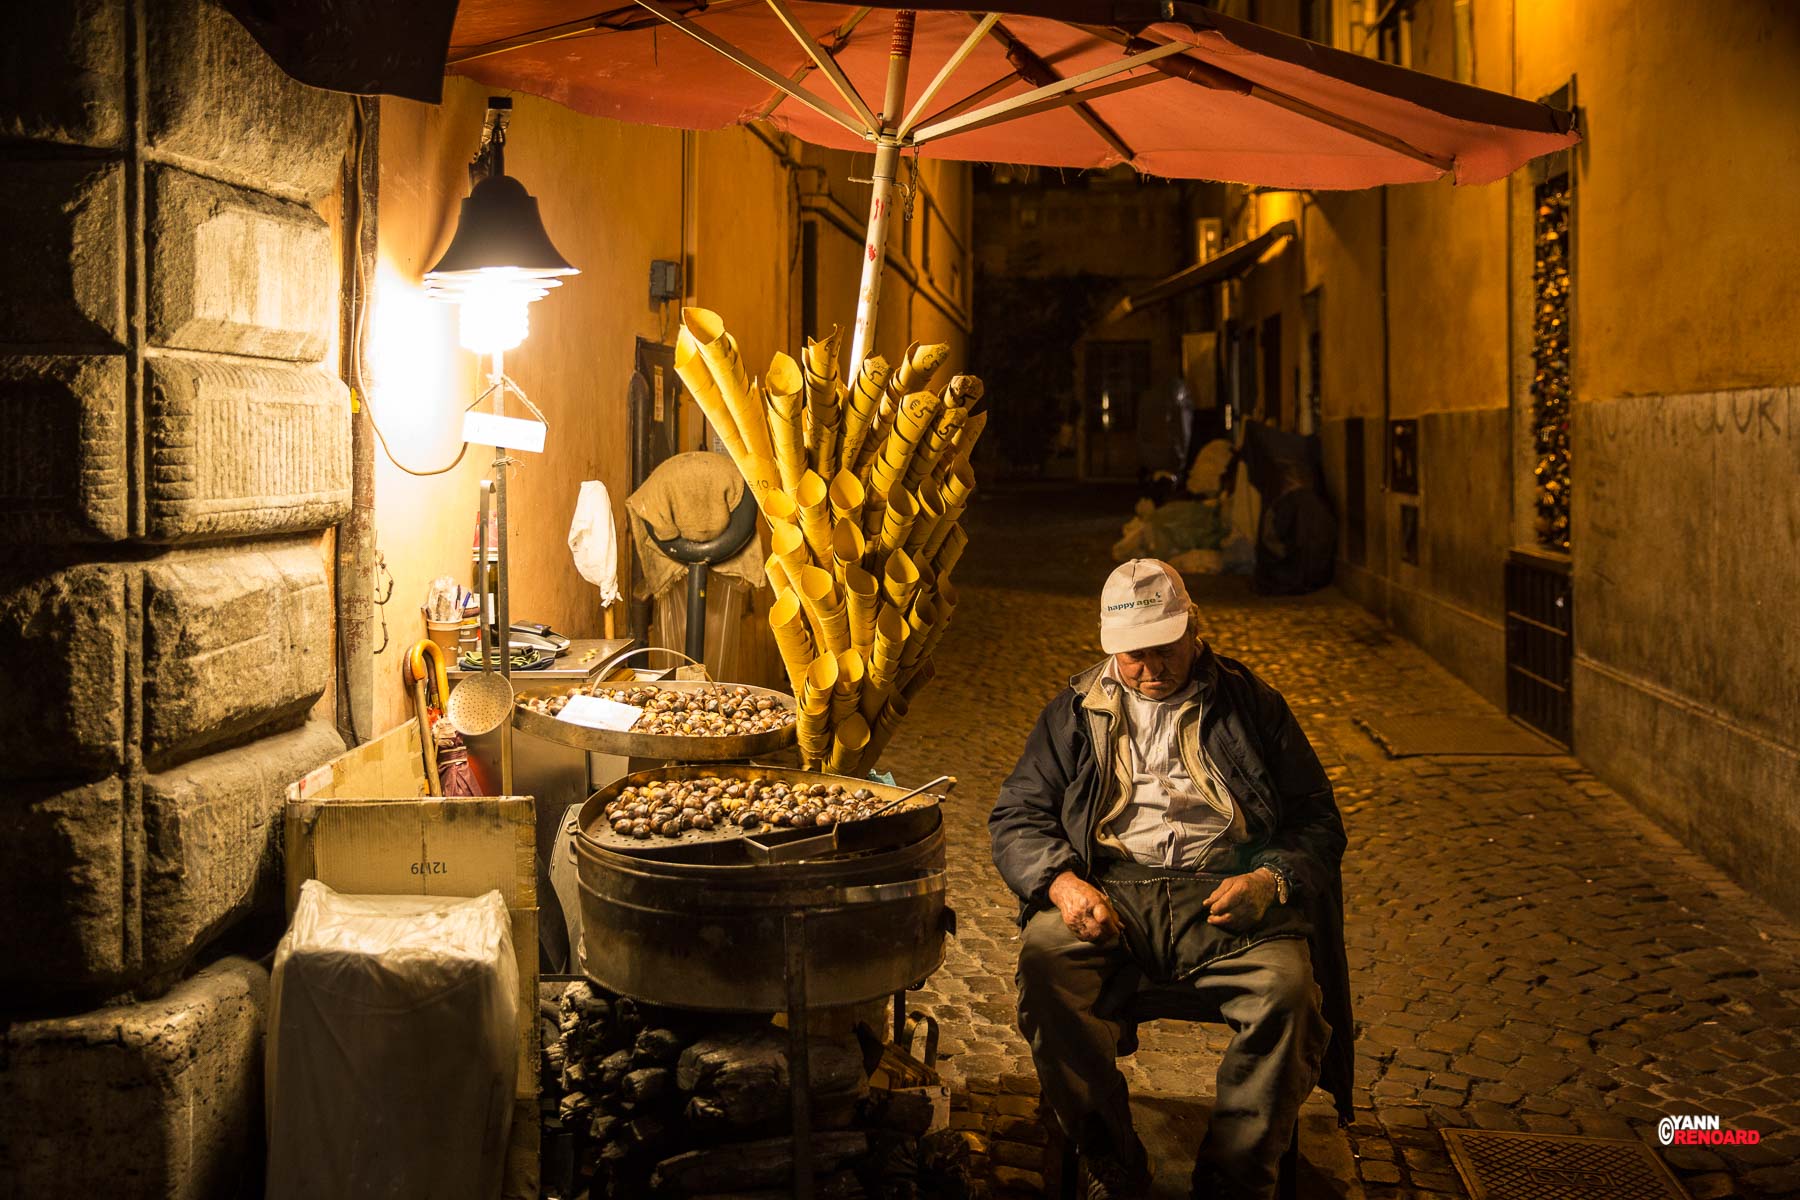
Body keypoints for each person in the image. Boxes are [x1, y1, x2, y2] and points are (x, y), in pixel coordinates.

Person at [989, 559, 1353, 1199]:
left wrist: (1271, 880)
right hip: (1113, 891)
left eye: (1165, 650)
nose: (1152, 670)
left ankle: (1235, 1180)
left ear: (1193, 633)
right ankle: (1112, 1161)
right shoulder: (1076, 710)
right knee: (1046, 972)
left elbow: (1317, 819)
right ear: (1110, 648)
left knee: (1288, 994)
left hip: (1225, 894)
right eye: (1134, 657)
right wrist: (1062, 884)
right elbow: (1018, 813)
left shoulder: (1252, 704)